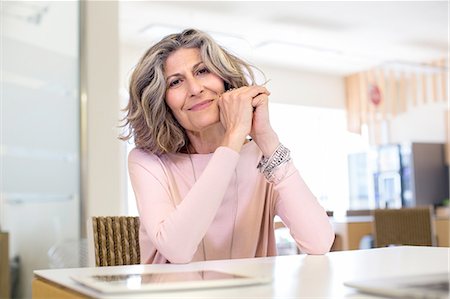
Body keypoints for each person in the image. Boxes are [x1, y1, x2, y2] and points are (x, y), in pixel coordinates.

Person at [121, 28, 334, 264]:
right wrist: (232, 138)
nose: (195, 89)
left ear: (225, 80)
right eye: (176, 82)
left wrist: (267, 139)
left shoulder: (262, 156)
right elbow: (177, 249)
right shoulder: (147, 160)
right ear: (161, 100)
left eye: (202, 71)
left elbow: (319, 242)